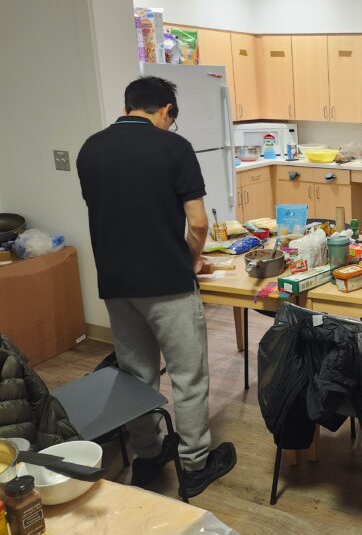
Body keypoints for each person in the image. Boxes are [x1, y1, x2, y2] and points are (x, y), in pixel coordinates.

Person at [77, 76, 236, 497]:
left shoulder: (90, 149)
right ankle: (195, 463)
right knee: (188, 375)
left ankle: (147, 455)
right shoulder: (174, 148)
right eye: (172, 119)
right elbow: (198, 222)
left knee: (136, 374)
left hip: (116, 284)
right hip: (168, 284)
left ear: (129, 105)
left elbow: (112, 213)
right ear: (166, 109)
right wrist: (191, 258)